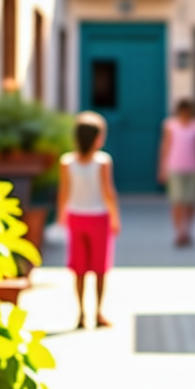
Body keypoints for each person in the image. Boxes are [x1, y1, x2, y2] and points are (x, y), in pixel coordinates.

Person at [57, 112, 121, 329]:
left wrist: (61, 216)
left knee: (80, 269)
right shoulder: (102, 162)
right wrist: (115, 217)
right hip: (99, 217)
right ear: (97, 138)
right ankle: (98, 312)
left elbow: (63, 191)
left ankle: (82, 314)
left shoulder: (66, 162)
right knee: (100, 268)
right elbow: (108, 192)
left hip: (76, 216)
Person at [159, 99, 195, 247]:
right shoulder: (170, 125)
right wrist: (162, 168)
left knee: (191, 202)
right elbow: (165, 146)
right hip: (175, 167)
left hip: (193, 167)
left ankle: (188, 230)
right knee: (177, 202)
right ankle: (179, 232)